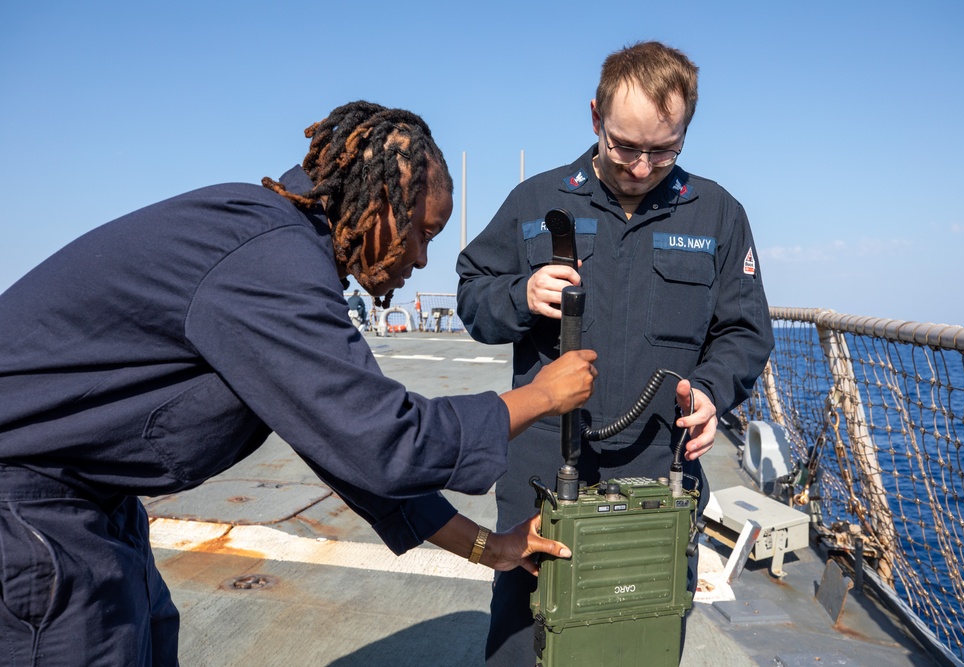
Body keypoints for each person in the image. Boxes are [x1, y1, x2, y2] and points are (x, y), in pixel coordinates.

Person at [0, 101, 598, 666]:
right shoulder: (270, 258)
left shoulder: (283, 253)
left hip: (89, 497)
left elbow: (347, 447)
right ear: (385, 201)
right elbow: (387, 444)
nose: (419, 259)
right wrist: (541, 395)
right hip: (31, 499)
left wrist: (489, 548)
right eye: (424, 232)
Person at [456, 42, 775, 664]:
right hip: (542, 474)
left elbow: (745, 332)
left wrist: (711, 390)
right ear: (595, 115)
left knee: (639, 642)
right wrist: (520, 293)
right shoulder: (535, 202)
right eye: (625, 146)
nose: (640, 166)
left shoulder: (718, 214)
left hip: (660, 474)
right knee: (525, 641)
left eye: (663, 150)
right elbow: (472, 297)